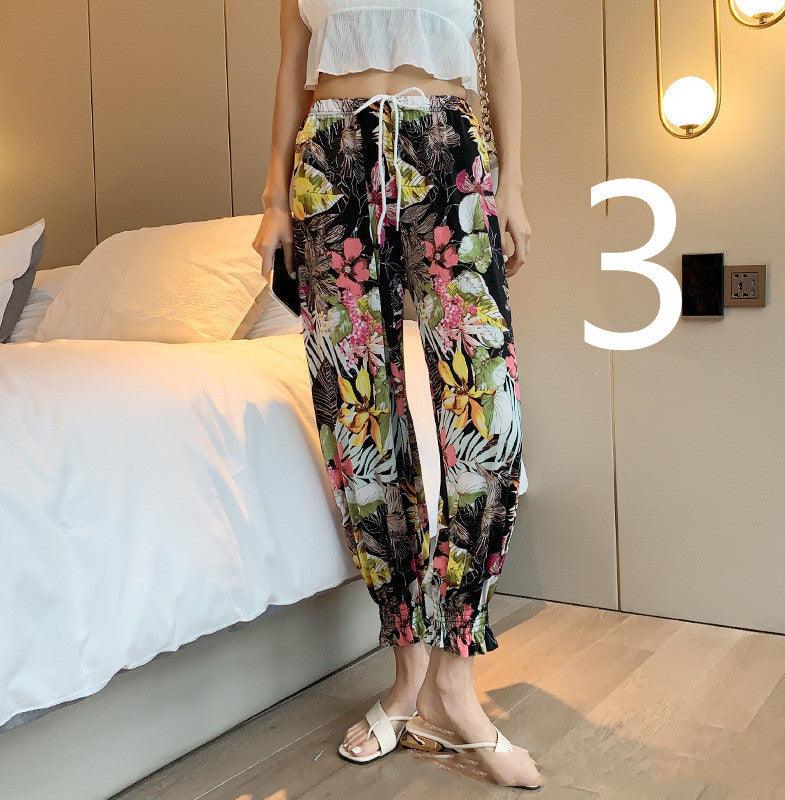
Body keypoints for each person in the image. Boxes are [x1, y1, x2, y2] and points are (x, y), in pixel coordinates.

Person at [252, 0, 539, 788]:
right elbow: (292, 68)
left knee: (486, 417)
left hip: (445, 150)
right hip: (328, 161)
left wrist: (511, 186)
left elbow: (502, 55)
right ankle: (408, 673)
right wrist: (274, 200)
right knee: (359, 427)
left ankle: (454, 676)